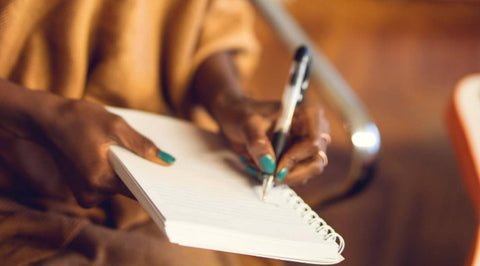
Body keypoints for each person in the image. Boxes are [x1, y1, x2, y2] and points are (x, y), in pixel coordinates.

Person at [0, 0, 330, 265]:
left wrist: (230, 101)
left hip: (162, 182)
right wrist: (44, 117)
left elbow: (204, 21)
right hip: (14, 181)